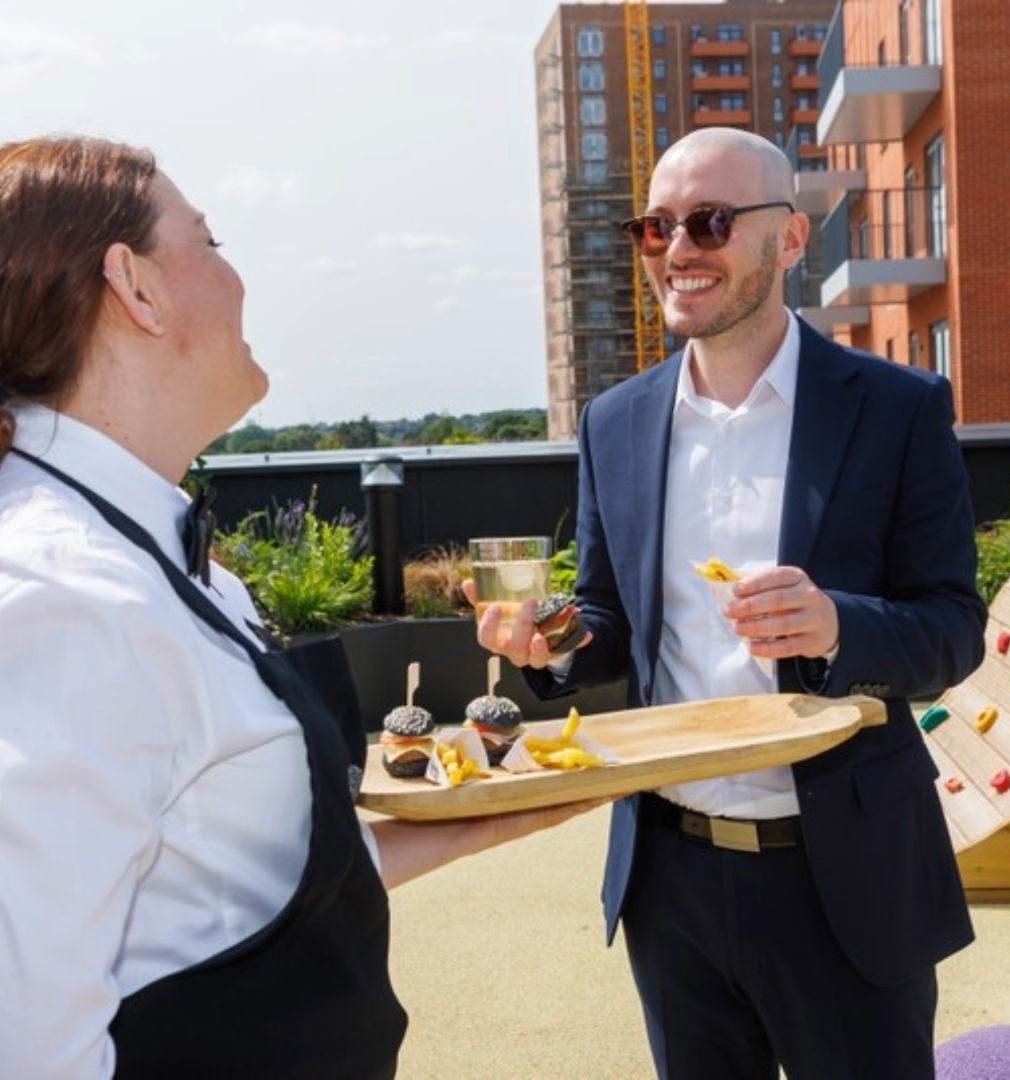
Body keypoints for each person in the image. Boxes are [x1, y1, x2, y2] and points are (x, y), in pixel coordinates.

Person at [0, 134, 597, 1079]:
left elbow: (217, 880)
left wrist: (475, 823)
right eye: (212, 241)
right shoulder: (59, 596)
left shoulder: (168, 559)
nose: (239, 280)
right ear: (136, 288)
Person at [473, 127, 988, 1079]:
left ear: (790, 241)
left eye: (708, 221)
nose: (679, 250)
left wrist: (839, 623)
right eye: (656, 226)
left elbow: (954, 631)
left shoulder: (899, 408)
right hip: (671, 878)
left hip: (847, 877)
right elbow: (608, 624)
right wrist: (544, 644)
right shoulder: (614, 422)